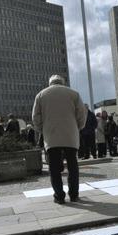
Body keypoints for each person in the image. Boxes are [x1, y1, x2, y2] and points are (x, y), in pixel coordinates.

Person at [32, 75, 87, 204]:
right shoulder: (74, 94)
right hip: (70, 135)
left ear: (49, 83)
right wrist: (77, 127)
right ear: (62, 83)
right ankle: (74, 195)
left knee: (54, 169)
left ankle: (59, 196)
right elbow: (82, 114)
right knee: (73, 166)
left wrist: (43, 129)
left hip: (51, 136)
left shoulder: (41, 95)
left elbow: (35, 117)